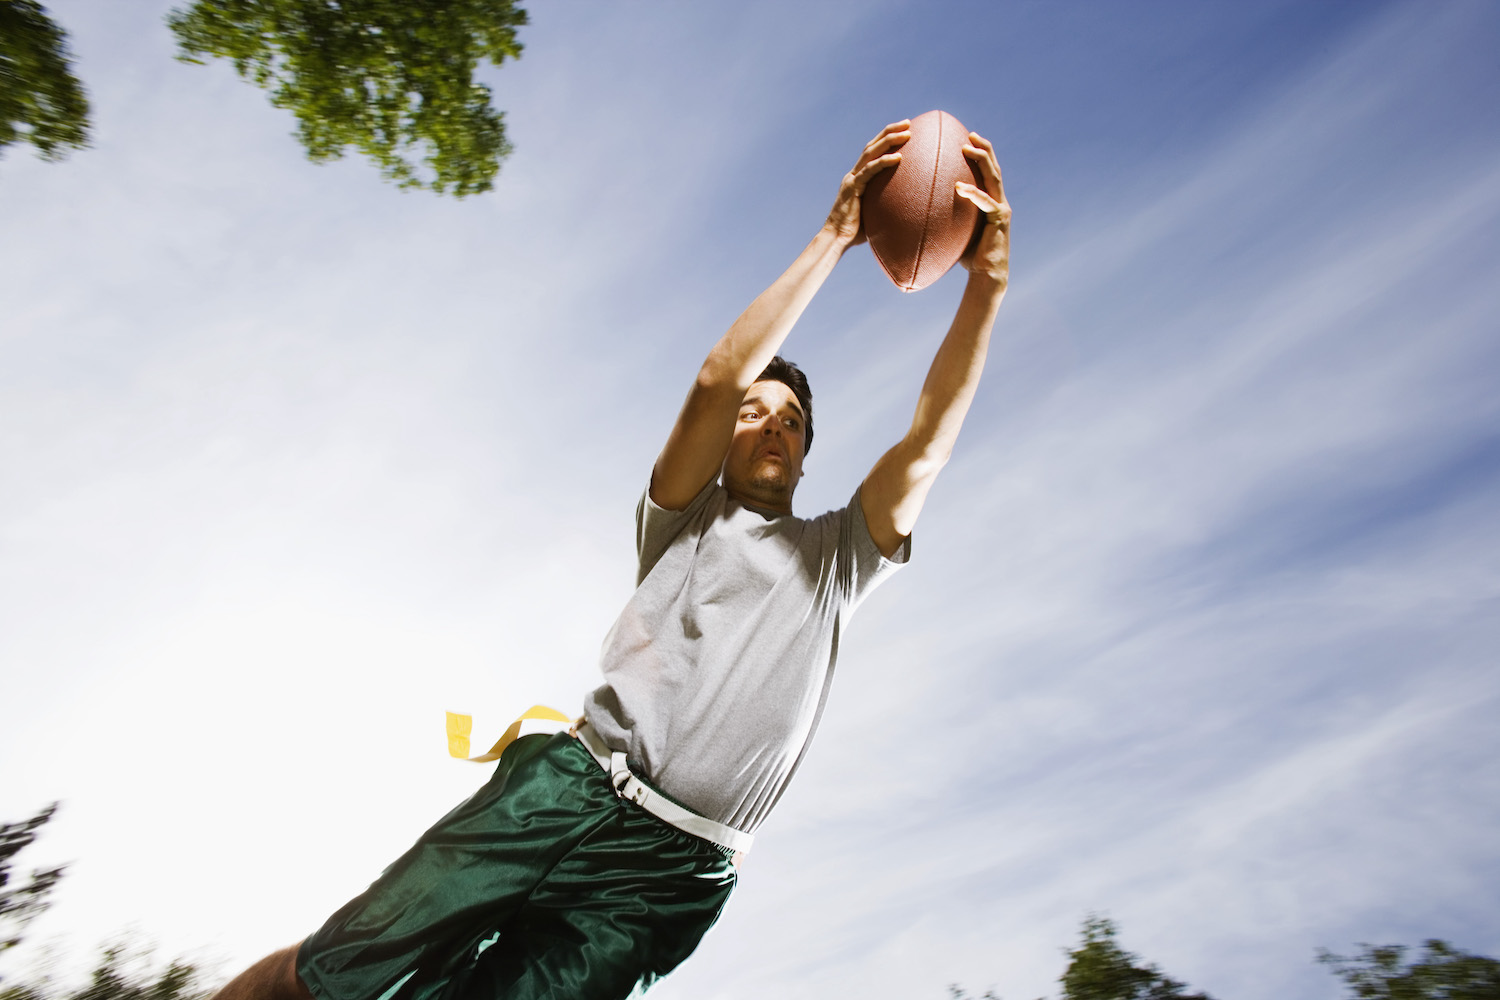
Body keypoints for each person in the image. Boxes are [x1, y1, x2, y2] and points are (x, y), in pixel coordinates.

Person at [214, 119, 1010, 1000]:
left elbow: (928, 442)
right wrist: (837, 237)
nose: (771, 421)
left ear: (808, 450)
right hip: (567, 789)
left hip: (667, 878)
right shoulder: (680, 518)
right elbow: (716, 380)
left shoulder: (838, 561)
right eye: (757, 411)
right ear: (725, 440)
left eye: (790, 417)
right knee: (337, 970)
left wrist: (986, 287)